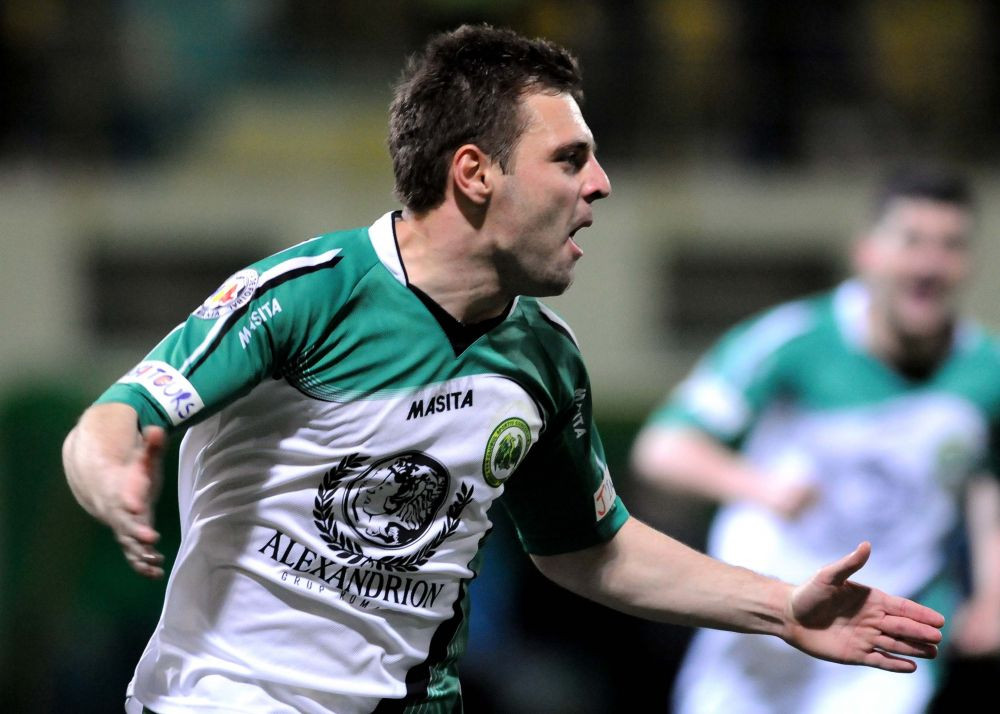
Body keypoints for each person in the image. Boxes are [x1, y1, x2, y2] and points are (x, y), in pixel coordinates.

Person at [62, 25, 944, 714]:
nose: (601, 184)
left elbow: (592, 551)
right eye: (570, 159)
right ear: (475, 174)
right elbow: (113, 418)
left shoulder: (543, 358)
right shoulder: (308, 295)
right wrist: (109, 473)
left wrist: (781, 607)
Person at [631, 167, 1000, 714]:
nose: (929, 264)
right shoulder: (793, 341)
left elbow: (986, 480)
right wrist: (758, 486)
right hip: (760, 626)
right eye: (912, 241)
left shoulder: (986, 371)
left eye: (950, 245)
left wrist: (993, 593)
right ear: (867, 252)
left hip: (887, 638)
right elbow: (662, 448)